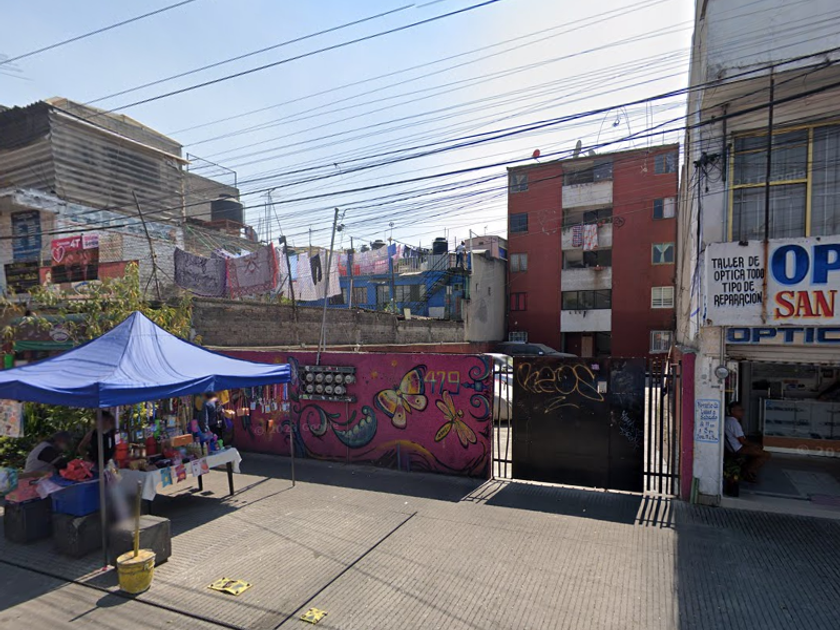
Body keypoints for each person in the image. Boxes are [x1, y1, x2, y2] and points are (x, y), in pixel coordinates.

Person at [724, 400, 770, 482]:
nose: (742, 412)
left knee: (758, 449)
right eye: (740, 410)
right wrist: (754, 445)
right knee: (766, 454)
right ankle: (749, 472)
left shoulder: (727, 419)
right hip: (738, 448)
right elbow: (742, 441)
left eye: (742, 410)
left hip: (732, 447)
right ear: (733, 411)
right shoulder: (734, 423)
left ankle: (748, 468)